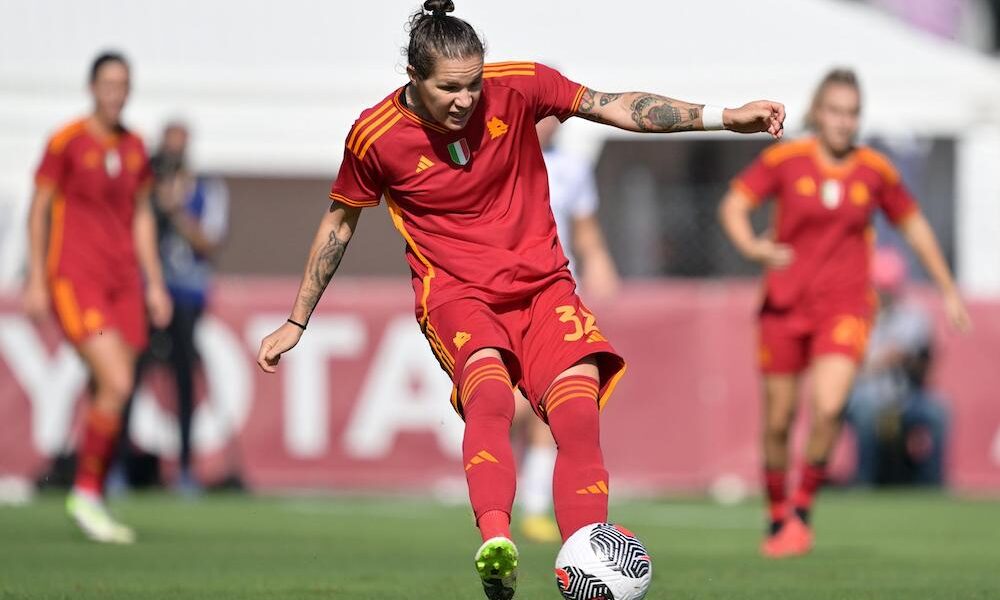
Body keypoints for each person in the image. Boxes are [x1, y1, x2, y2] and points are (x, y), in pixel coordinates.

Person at [257, 2, 784, 597]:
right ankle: (496, 543)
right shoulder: (375, 136)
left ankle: (587, 558)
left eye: (473, 84)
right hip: (456, 293)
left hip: (542, 285)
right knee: (489, 396)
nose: (465, 100)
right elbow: (339, 224)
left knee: (578, 414)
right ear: (413, 77)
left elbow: (614, 105)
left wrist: (723, 117)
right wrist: (297, 320)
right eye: (449, 88)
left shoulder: (520, 85)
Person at [718, 68, 970, 559]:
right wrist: (752, 247)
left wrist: (947, 288)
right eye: (835, 111)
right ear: (818, 112)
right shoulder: (786, 160)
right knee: (778, 421)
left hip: (845, 307)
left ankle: (802, 510)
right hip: (783, 307)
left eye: (852, 113)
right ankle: (777, 513)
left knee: (831, 406)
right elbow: (733, 205)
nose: (843, 121)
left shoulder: (875, 171)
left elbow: (914, 226)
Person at [22, 51, 172, 543]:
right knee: (117, 380)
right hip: (75, 278)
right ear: (92, 87)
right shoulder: (66, 141)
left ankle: (90, 489)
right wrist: (36, 277)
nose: (115, 93)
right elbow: (40, 207)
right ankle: (86, 493)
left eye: (122, 84)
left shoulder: (135, 147)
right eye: (108, 83)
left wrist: (154, 282)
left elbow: (142, 215)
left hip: (123, 283)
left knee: (107, 389)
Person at [515, 116, 620, 544]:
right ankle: (497, 489)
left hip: (556, 294)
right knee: (511, 407)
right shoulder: (495, 159)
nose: (550, 124)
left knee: (555, 400)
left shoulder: (572, 166)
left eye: (556, 116)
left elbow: (584, 227)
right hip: (504, 297)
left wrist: (599, 263)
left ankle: (535, 506)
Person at [147, 120, 229, 494]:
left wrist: (175, 210)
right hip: (149, 291)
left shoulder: (206, 189)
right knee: (130, 374)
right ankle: (115, 466)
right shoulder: (145, 188)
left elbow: (208, 241)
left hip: (186, 295)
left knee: (183, 377)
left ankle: (183, 466)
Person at [846, 247, 949, 486]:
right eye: (880, 289)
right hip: (865, 395)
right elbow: (845, 369)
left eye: (888, 290)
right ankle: (864, 483)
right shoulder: (855, 317)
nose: (884, 295)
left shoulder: (914, 318)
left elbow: (924, 368)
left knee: (937, 411)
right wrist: (881, 361)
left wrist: (908, 359)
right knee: (865, 411)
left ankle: (931, 484)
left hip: (906, 397)